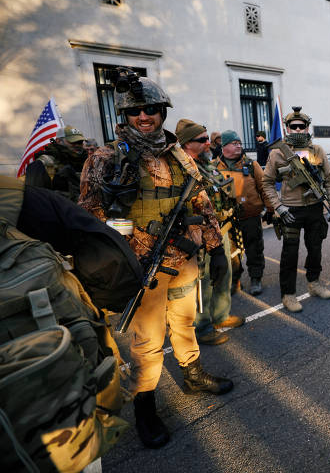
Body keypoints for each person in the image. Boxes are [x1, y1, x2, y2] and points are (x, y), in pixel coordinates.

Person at [79, 69, 233, 449]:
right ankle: (145, 406)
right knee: (147, 340)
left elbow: (201, 200)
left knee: (184, 321)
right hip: (141, 267)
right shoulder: (107, 157)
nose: (143, 117)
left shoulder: (178, 153)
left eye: (150, 109)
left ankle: (193, 373)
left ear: (161, 112)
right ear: (124, 116)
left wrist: (215, 247)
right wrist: (131, 242)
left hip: (183, 260)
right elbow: (89, 213)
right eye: (135, 112)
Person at [262, 106, 330, 312]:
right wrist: (278, 206)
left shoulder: (317, 151)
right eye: (293, 127)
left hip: (314, 208)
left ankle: (314, 283)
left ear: (307, 128)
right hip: (291, 211)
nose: (297, 130)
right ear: (287, 129)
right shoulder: (277, 153)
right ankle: (288, 294)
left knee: (315, 249)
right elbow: (267, 182)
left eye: (301, 126)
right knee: (290, 254)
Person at [177, 119, 245, 346]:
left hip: (221, 228)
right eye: (202, 140)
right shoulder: (183, 169)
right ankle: (202, 326)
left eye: (208, 139)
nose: (209, 143)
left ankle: (221, 316)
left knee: (223, 273)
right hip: (199, 233)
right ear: (187, 144)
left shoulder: (208, 165)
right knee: (203, 282)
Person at [216, 130, 272, 296]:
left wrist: (271, 209)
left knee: (254, 248)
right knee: (232, 252)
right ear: (224, 146)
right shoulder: (214, 168)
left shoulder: (251, 164)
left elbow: (264, 187)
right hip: (226, 220)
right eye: (234, 143)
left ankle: (256, 278)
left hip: (250, 216)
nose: (239, 146)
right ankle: (235, 279)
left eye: (239, 143)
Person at [25, 125, 87, 202]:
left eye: (80, 142)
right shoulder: (44, 163)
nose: (77, 145)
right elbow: (34, 199)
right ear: (58, 141)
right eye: (73, 142)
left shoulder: (87, 162)